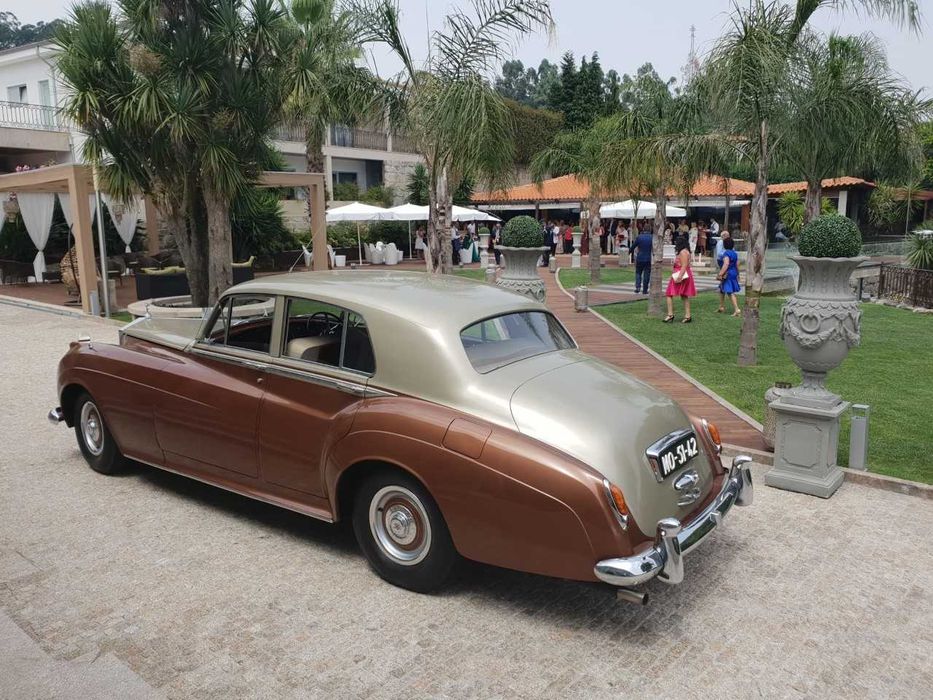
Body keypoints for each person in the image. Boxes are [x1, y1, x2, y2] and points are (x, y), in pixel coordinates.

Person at [664, 235, 697, 323]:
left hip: (681, 274)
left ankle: (670, 314)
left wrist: (679, 276)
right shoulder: (686, 251)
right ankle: (687, 315)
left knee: (669, 293)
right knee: (684, 295)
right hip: (684, 274)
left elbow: (684, 265)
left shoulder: (682, 252)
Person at [717, 236, 742, 316]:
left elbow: (726, 264)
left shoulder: (726, 253)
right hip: (733, 272)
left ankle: (736, 309)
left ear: (724, 245)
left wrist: (720, 273)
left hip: (728, 273)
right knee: (721, 288)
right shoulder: (735, 253)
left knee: (730, 292)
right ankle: (721, 306)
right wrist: (738, 274)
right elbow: (737, 264)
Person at [633, 226, 653, 295]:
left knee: (638, 273)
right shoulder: (652, 237)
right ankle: (645, 289)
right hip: (648, 258)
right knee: (646, 275)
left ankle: (637, 287)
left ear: (643, 230)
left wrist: (629, 251)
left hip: (640, 257)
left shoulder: (639, 237)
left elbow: (634, 246)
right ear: (650, 230)